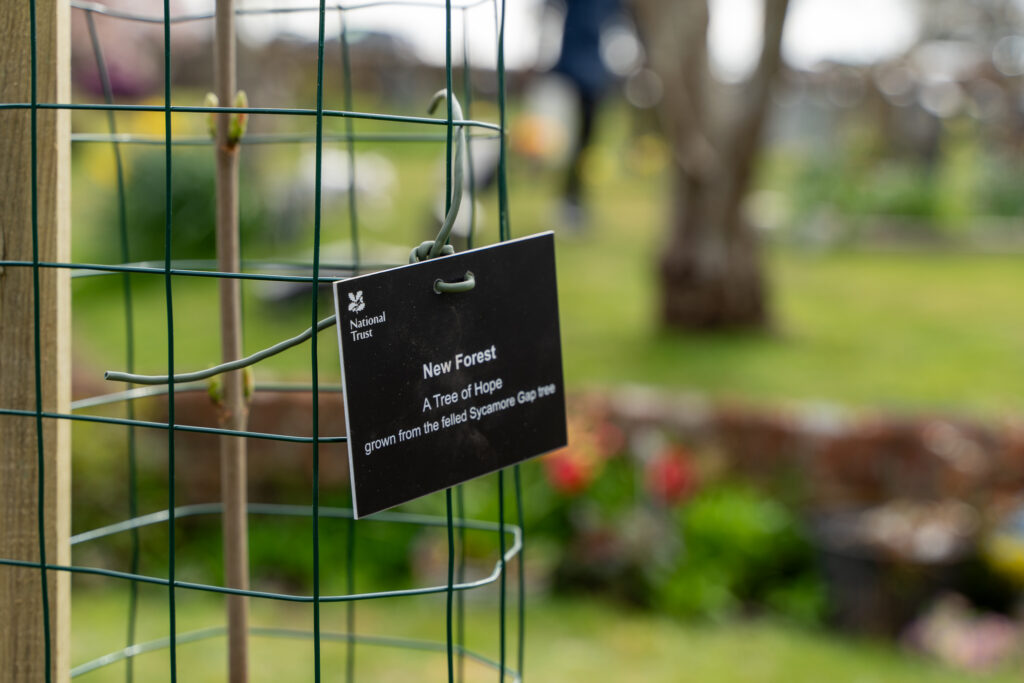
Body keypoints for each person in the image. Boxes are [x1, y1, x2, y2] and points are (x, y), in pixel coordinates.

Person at [550, 0, 623, 229]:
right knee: (556, 145)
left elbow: (618, 26)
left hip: (593, 76)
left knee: (583, 146)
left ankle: (574, 201)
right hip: (566, 74)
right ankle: (567, 201)